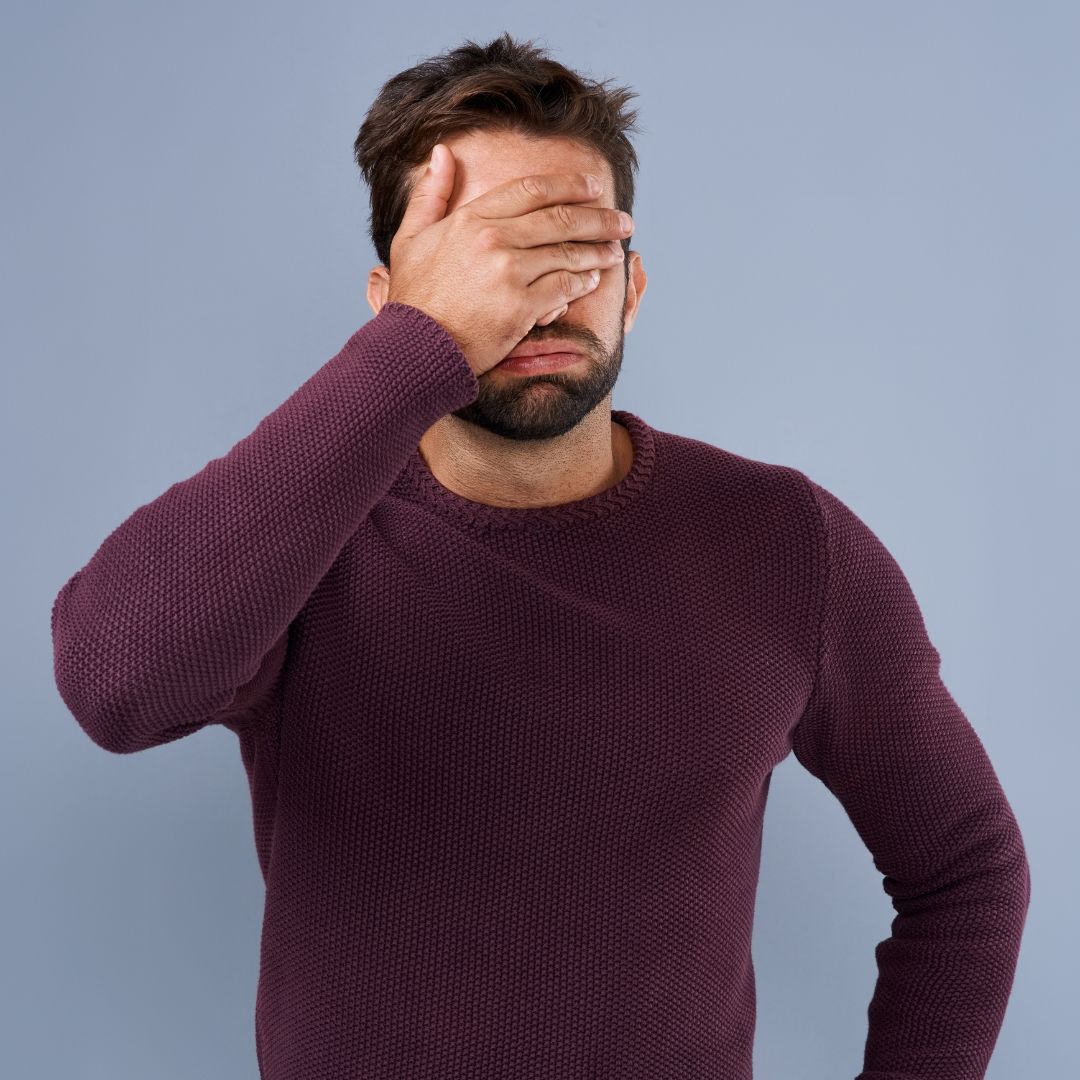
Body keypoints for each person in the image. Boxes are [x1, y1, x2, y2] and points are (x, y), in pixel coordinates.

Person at [50, 31, 1030, 1080]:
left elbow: (965, 869)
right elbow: (116, 688)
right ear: (394, 302)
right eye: (494, 257)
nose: (543, 297)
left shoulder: (788, 543)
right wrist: (416, 355)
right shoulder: (298, 528)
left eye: (578, 250)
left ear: (634, 287)